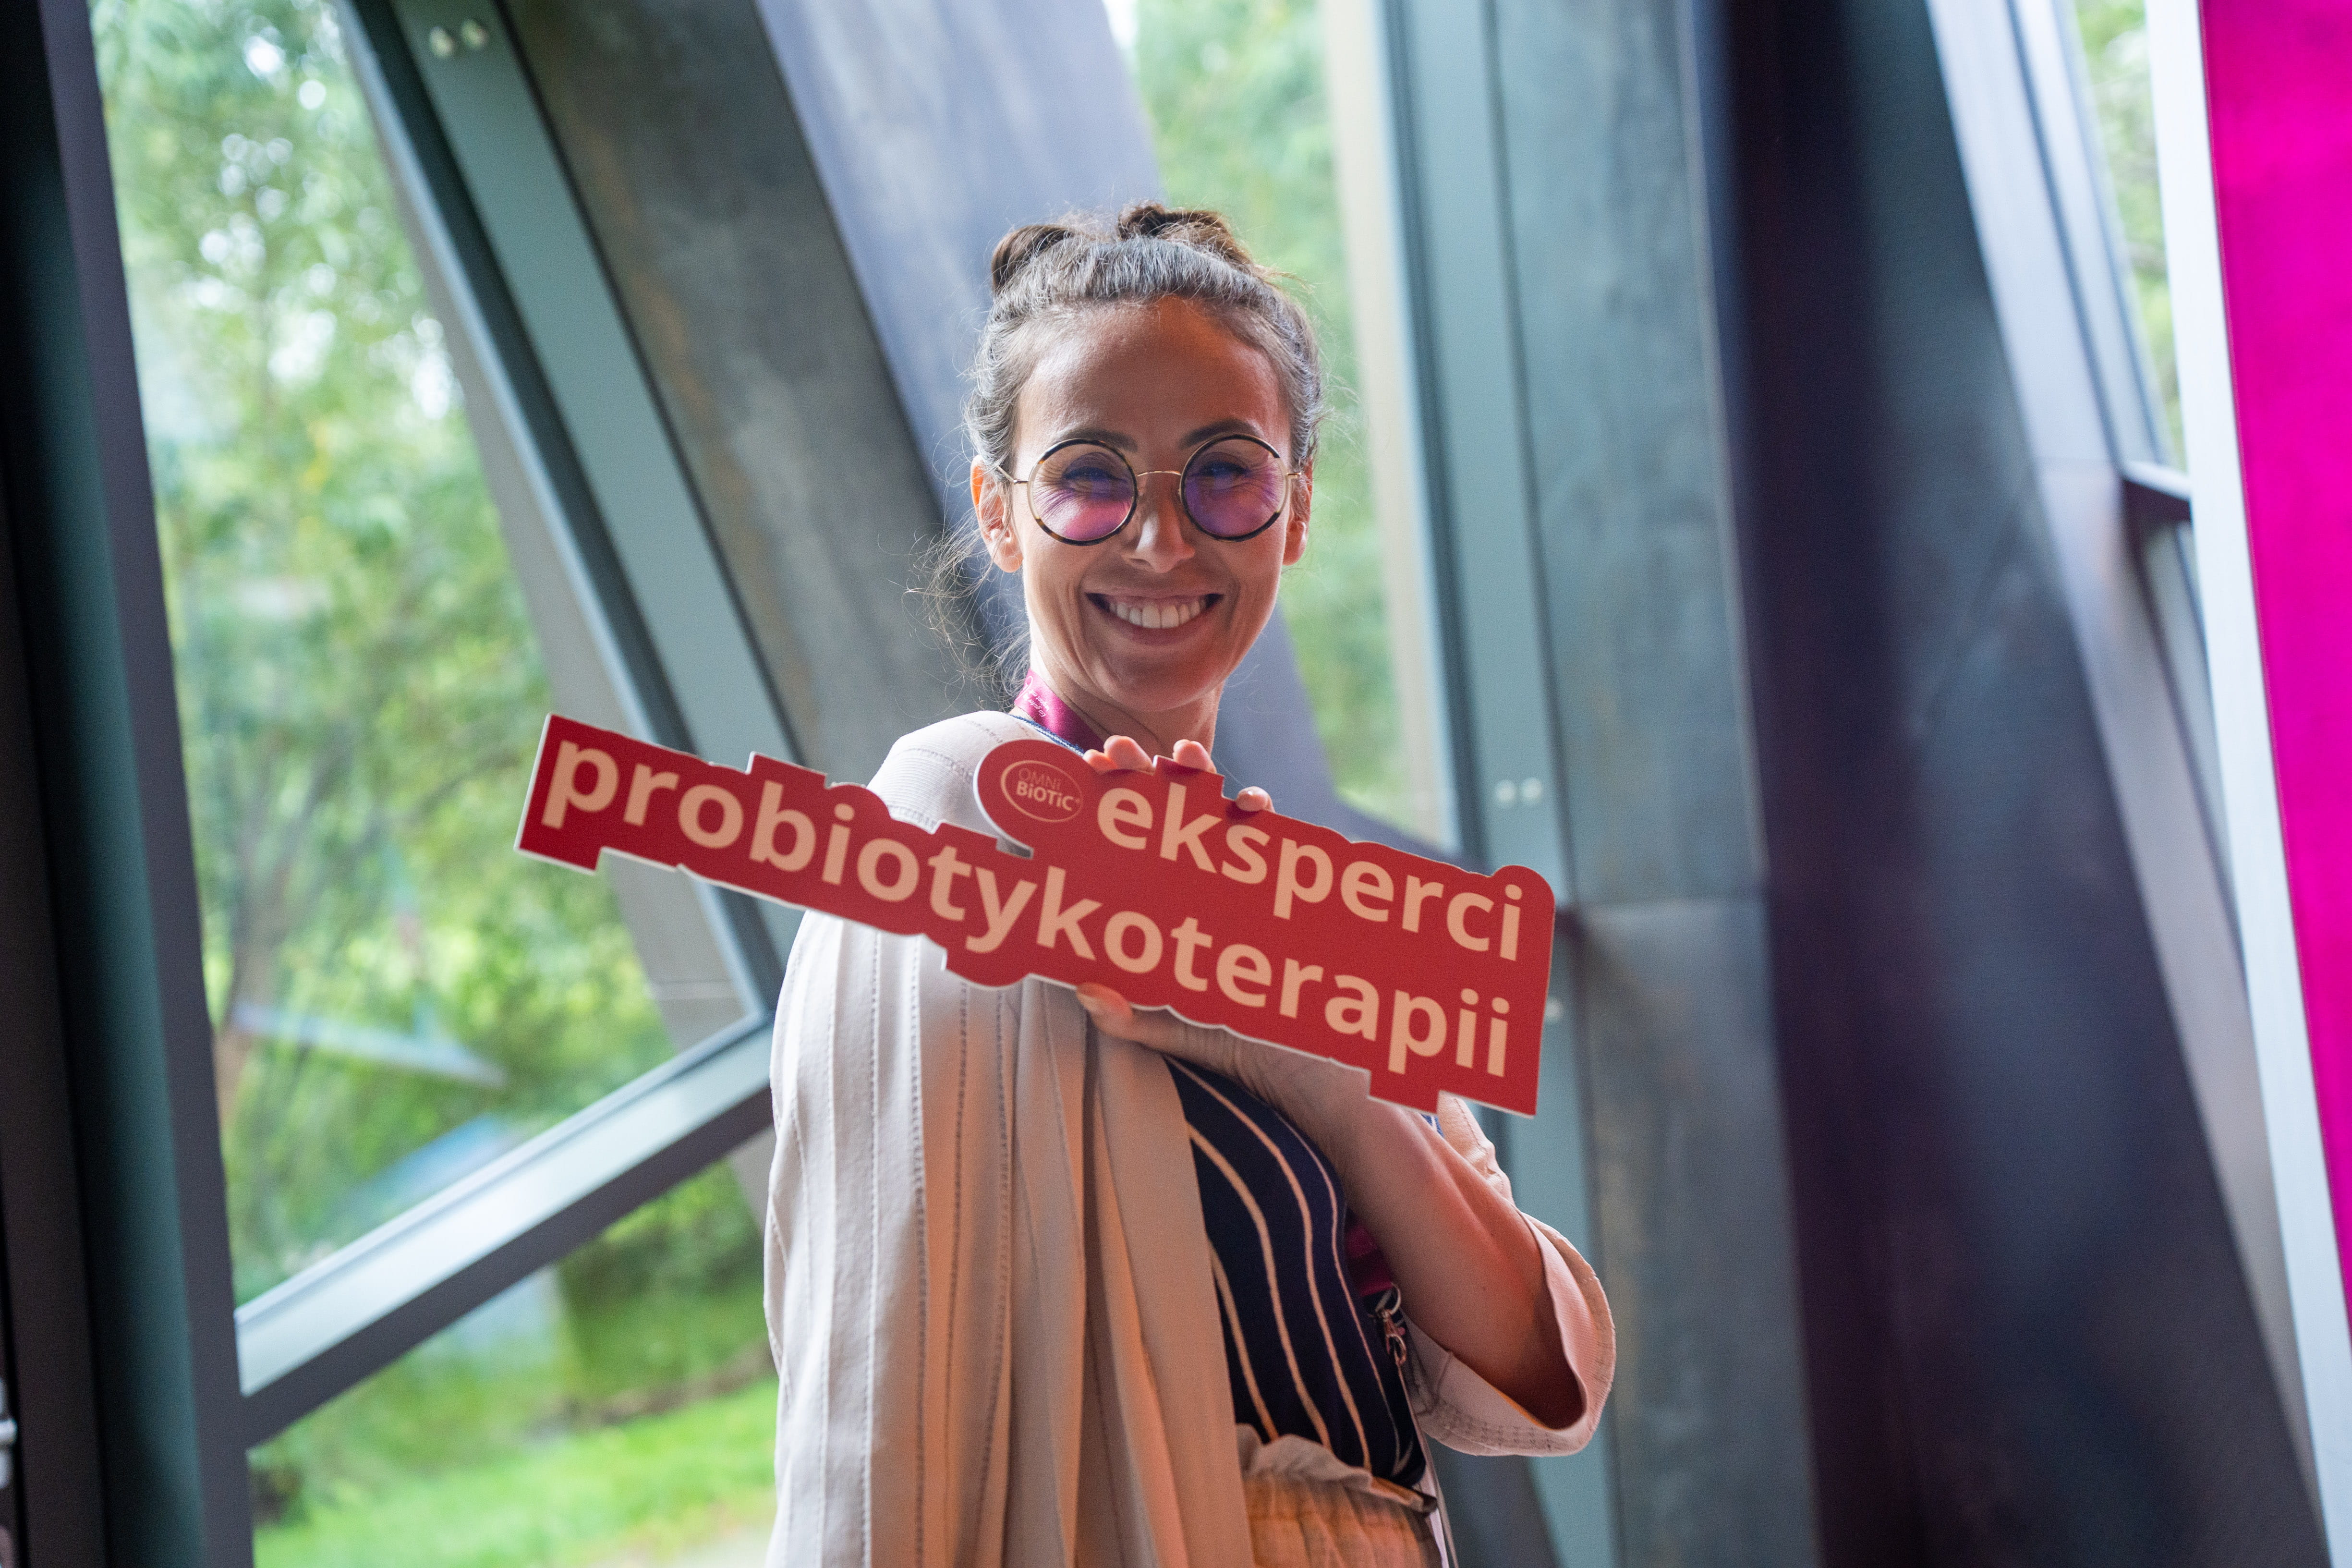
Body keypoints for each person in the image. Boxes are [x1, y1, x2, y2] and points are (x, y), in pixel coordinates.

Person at [764, 204, 1612, 1568]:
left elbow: (1538, 1372)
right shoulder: (940, 838)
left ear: (1296, 511)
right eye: (1089, 477)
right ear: (999, 512)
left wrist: (1312, 1063)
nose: (1161, 542)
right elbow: (876, 1404)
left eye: (1223, 474)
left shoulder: (1305, 904)